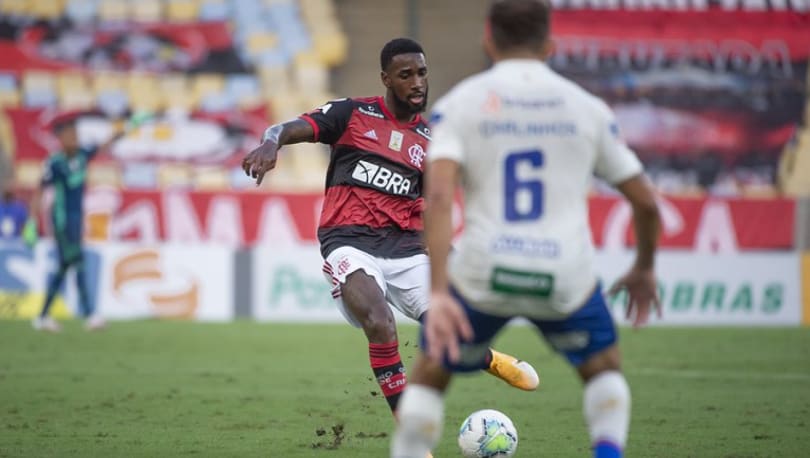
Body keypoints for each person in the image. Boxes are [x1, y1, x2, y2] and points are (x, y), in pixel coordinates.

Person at [390, 1, 662, 457]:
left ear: (488, 41)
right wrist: (645, 267)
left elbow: (436, 200)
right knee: (604, 371)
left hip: (483, 272)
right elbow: (647, 204)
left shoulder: (460, 103)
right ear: (550, 45)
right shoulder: (587, 108)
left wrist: (438, 293)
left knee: (430, 377)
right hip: (563, 273)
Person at [242, 38, 539, 424]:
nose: (417, 83)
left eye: (422, 73)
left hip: (406, 249)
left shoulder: (433, 141)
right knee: (380, 322)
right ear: (386, 78)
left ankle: (492, 360)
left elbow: (433, 209)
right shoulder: (352, 114)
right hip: (348, 242)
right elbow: (286, 127)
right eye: (405, 75)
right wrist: (271, 143)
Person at [28, 116, 125, 332]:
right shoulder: (54, 163)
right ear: (60, 139)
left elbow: (104, 146)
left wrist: (123, 129)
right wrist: (32, 222)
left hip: (77, 218)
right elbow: (39, 192)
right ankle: (90, 314)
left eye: (76, 134)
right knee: (78, 261)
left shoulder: (82, 155)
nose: (75, 139)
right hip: (61, 220)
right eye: (70, 135)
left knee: (64, 266)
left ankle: (43, 316)